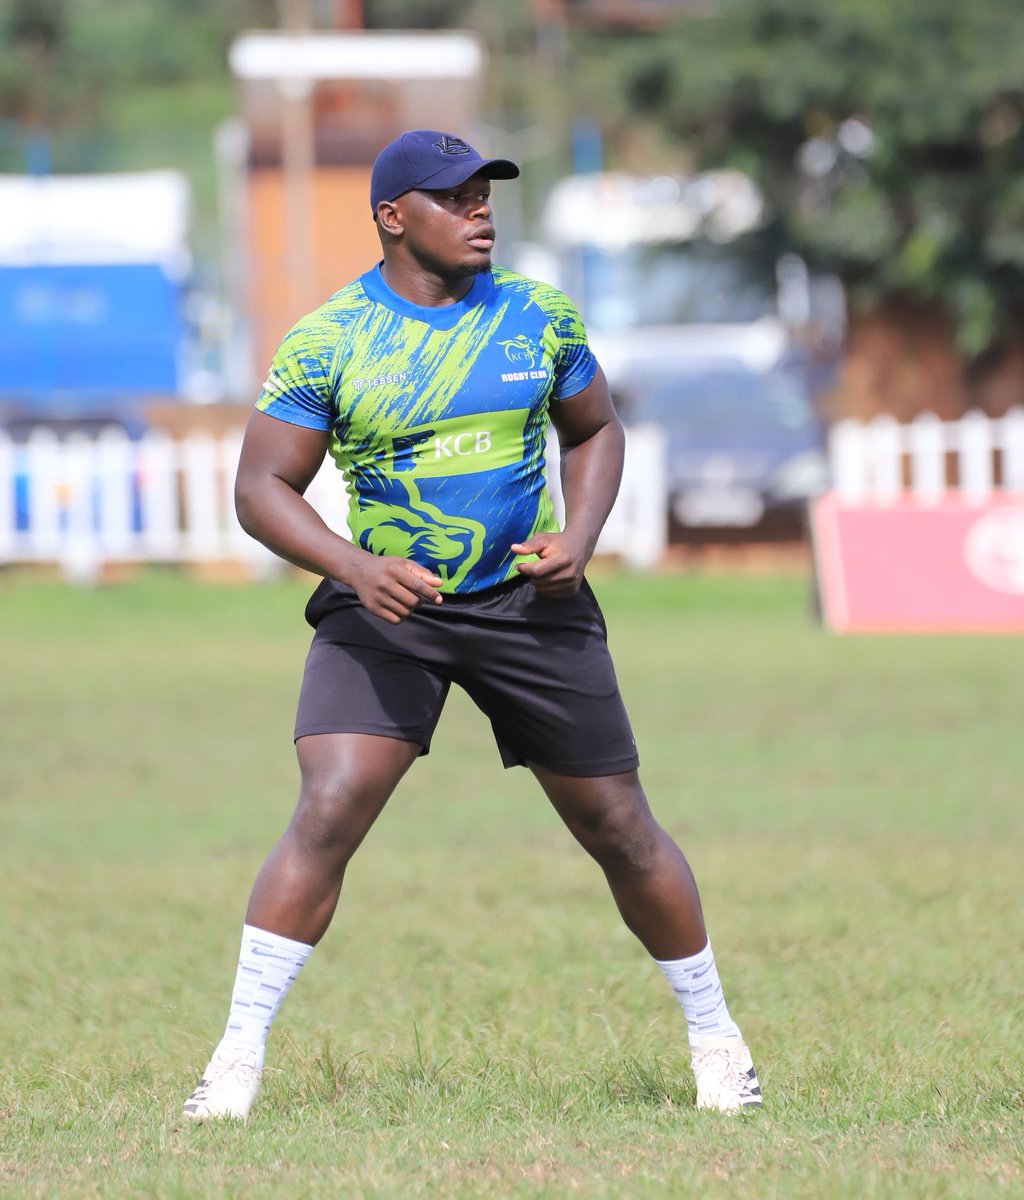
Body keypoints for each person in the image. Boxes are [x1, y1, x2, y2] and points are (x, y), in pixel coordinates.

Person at [182, 129, 761, 1121]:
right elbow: (260, 486)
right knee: (330, 805)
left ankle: (718, 1043)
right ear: (392, 217)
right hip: (387, 607)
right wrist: (355, 567)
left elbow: (597, 430)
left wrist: (578, 535)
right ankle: (234, 1061)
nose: (480, 210)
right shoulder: (329, 340)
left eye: (485, 193)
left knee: (618, 827)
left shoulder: (538, 316)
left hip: (528, 605)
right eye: (454, 197)